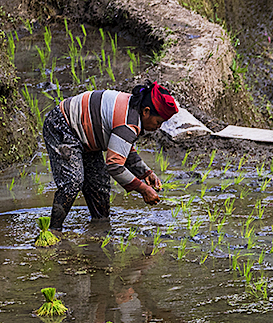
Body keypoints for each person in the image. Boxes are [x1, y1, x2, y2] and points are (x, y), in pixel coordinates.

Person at [42, 81, 179, 230]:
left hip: (87, 134)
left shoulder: (133, 112)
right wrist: (143, 189)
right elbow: (114, 165)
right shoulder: (129, 122)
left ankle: (100, 228)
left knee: (99, 185)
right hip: (63, 125)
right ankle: (54, 230)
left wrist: (146, 173)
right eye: (158, 122)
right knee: (73, 182)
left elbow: (123, 148)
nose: (158, 127)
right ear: (146, 111)